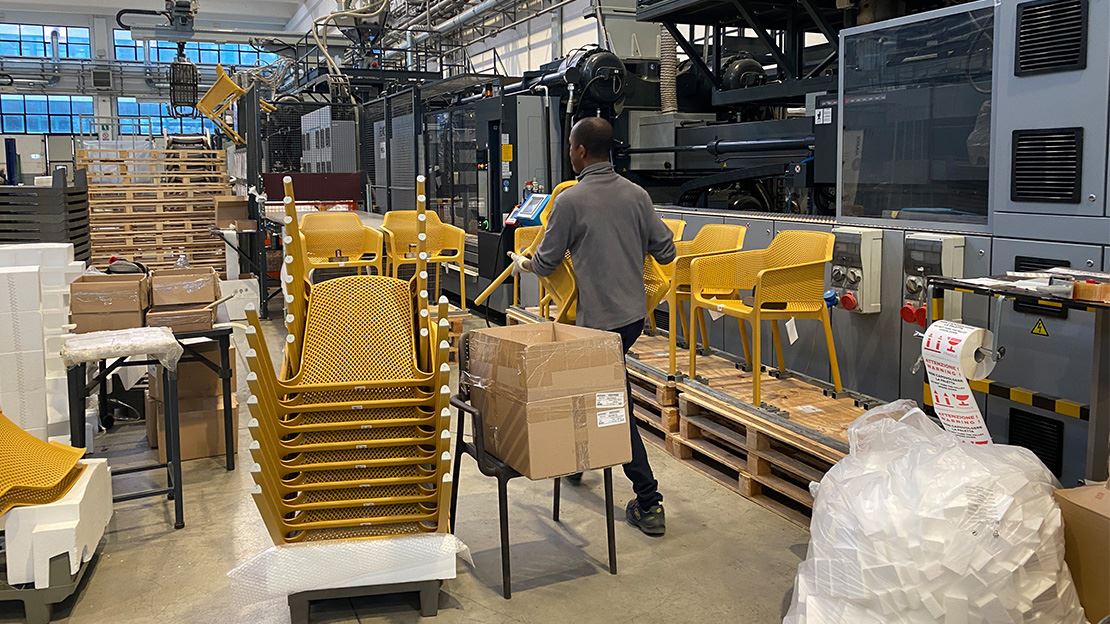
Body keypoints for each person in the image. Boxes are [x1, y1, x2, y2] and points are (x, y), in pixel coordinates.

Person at [509, 116, 676, 536]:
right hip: (632, 318)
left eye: (571, 146)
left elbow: (547, 261)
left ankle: (649, 501)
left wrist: (524, 264)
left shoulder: (570, 201)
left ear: (581, 151)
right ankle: (578, 461)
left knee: (614, 406)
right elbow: (667, 252)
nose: (570, 152)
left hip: (596, 325)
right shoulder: (637, 195)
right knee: (584, 389)